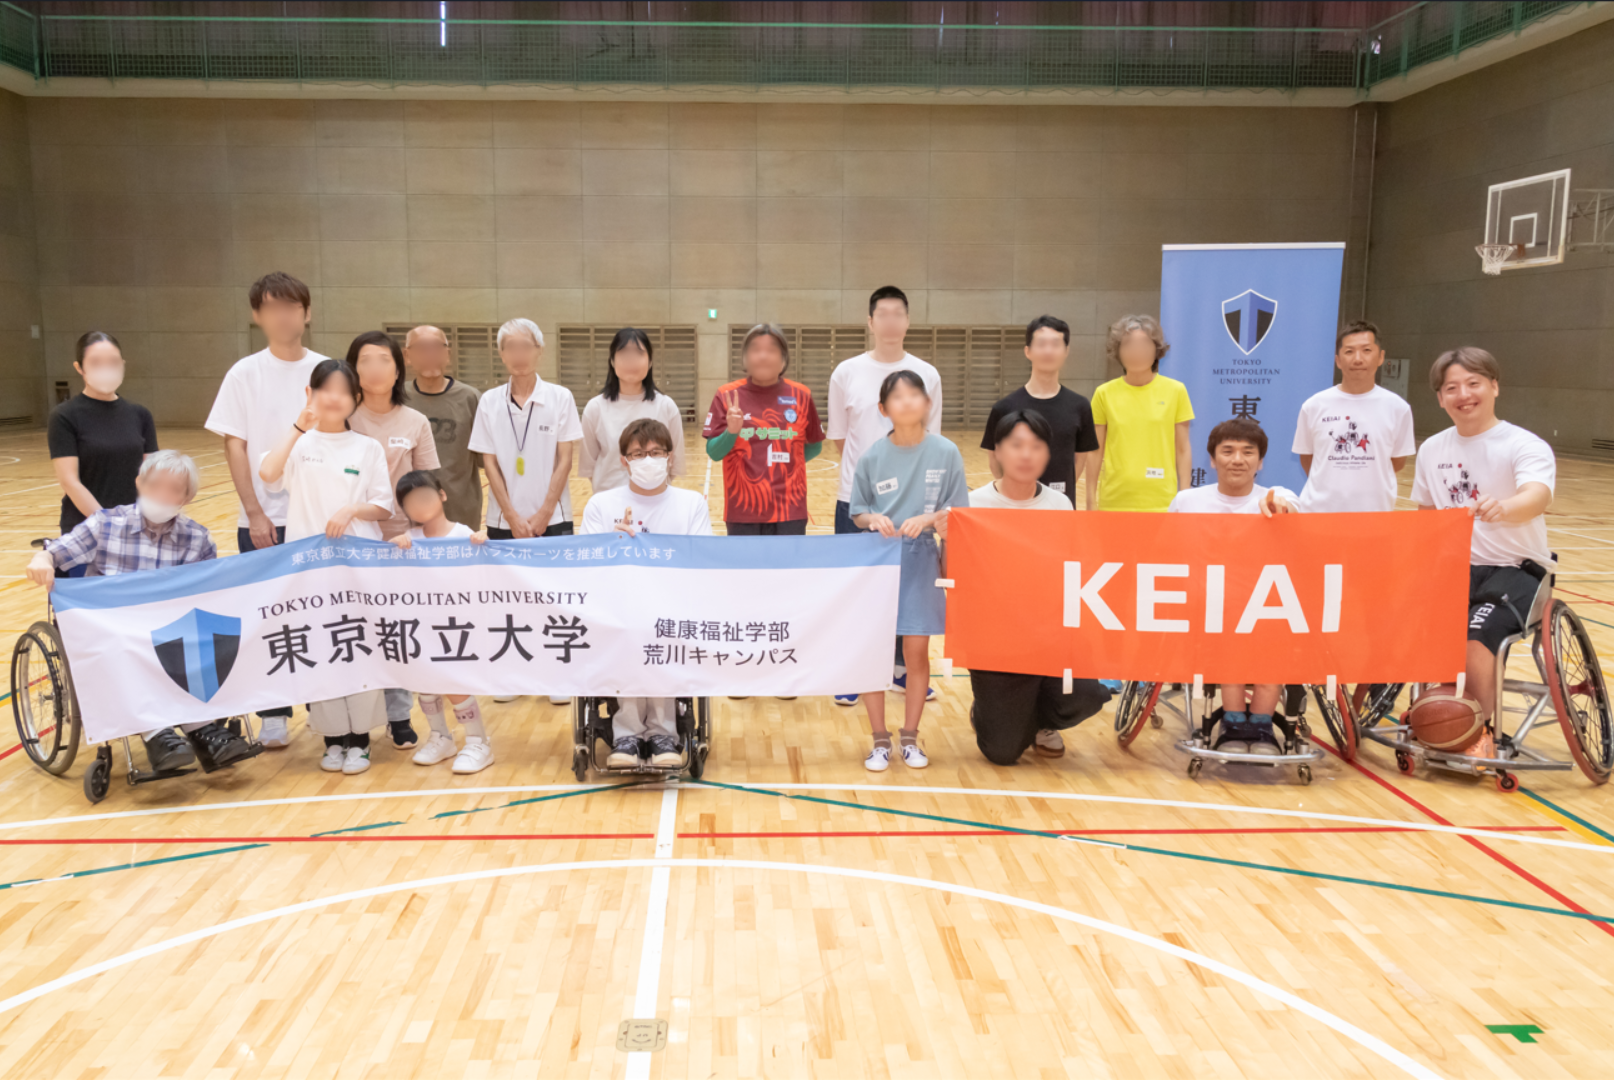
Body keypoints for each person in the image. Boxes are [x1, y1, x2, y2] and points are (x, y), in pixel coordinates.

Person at [25, 451, 256, 774]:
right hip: (111, 626)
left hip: (168, 625)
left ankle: (199, 727)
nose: (161, 495)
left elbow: (206, 594)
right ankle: (154, 732)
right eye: (154, 485)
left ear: (187, 497)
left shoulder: (197, 538)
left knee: (204, 638)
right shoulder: (105, 524)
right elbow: (56, 553)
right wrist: (42, 559)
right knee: (125, 645)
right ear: (139, 483)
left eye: (173, 490)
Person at [1411, 347, 1555, 759]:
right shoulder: (1432, 449)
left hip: (1516, 570)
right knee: (1416, 626)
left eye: (1473, 383)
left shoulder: (1523, 444)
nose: (1464, 394)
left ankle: (1478, 730)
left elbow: (1537, 495)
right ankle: (1436, 716)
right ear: (1440, 398)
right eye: (1452, 388)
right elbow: (1426, 515)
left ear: (1494, 386)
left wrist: (1505, 508)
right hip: (1455, 569)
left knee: (1477, 638)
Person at [204, 271, 327, 749]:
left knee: (319, 615)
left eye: (291, 306)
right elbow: (235, 445)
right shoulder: (245, 373)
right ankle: (273, 712)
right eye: (272, 307)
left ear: (307, 313)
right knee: (269, 617)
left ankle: (322, 705)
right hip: (263, 520)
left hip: (315, 518)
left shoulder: (325, 370)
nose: (283, 315)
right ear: (257, 315)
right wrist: (254, 512)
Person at [258, 358, 395, 775]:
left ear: (356, 398)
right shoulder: (299, 443)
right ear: (310, 394)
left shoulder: (367, 447)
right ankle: (332, 739)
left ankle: (360, 739)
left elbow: (383, 505)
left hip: (357, 567)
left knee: (358, 646)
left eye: (343, 391)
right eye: (325, 389)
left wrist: (352, 508)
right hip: (308, 569)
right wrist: (297, 428)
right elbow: (267, 473)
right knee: (320, 648)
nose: (334, 398)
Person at [954, 410, 1109, 764]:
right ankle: (990, 712)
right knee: (1003, 752)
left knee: (1088, 695)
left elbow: (1071, 572)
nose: (1026, 455)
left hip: (1049, 636)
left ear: (1047, 454)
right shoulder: (973, 505)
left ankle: (1039, 722)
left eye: (1037, 446)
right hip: (997, 642)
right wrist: (949, 540)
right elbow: (954, 578)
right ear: (997, 451)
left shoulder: (1059, 504)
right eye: (1016, 445)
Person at [827, 285, 943, 706]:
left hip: (911, 503)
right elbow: (841, 438)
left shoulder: (927, 374)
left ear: (908, 321)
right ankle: (854, 670)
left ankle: (899, 669)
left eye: (898, 313)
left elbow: (932, 440)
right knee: (855, 588)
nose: (891, 321)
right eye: (883, 314)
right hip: (856, 500)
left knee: (906, 590)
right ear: (871, 321)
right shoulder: (846, 372)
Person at [848, 371, 969, 772]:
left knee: (916, 653)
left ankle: (911, 736)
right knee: (874, 652)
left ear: (927, 404)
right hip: (878, 561)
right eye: (897, 396)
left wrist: (930, 518)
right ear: (883, 409)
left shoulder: (946, 452)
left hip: (921, 560)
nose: (907, 401)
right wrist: (873, 520)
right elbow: (858, 511)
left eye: (914, 394)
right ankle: (879, 739)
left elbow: (958, 509)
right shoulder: (872, 457)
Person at [580, 418, 714, 768]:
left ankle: (663, 732)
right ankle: (627, 733)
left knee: (659, 629)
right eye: (639, 454)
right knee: (628, 630)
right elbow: (584, 564)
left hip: (674, 605)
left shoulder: (691, 504)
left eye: (656, 452)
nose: (648, 460)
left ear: (670, 457)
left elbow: (703, 559)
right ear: (624, 461)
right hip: (617, 608)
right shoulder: (602, 504)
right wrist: (612, 546)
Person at [467, 317, 580, 707]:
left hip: (554, 517)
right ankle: (513, 673)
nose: (518, 354)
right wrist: (512, 516)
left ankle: (558, 673)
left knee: (555, 597)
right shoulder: (489, 401)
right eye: (510, 347)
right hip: (504, 520)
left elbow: (565, 460)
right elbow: (489, 462)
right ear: (501, 354)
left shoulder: (560, 397)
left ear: (539, 350)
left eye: (525, 346)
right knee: (509, 599)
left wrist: (545, 511)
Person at [1168, 417, 1297, 755]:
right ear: (1212, 460)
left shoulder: (1275, 497)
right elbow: (1167, 555)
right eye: (1227, 451)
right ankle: (1234, 722)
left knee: (1271, 627)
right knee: (1227, 622)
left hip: (1263, 607)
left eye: (1247, 452)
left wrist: (1281, 507)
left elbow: (1291, 505)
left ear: (1260, 462)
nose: (1237, 459)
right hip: (1207, 606)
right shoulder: (1187, 501)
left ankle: (1262, 725)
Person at [348, 329, 439, 752]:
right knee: (357, 632)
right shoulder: (344, 419)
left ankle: (399, 715)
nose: (375, 369)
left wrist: (419, 532)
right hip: (355, 542)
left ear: (398, 368)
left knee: (398, 631)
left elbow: (426, 484)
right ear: (353, 369)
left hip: (403, 542)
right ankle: (356, 720)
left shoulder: (415, 421)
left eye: (384, 359)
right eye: (365, 360)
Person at [388, 470, 494, 774]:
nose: (419, 505)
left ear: (442, 495)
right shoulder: (409, 540)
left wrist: (484, 544)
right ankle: (440, 737)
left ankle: (478, 741)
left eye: (425, 497)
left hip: (456, 627)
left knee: (455, 684)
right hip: (421, 628)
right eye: (410, 502)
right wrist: (394, 548)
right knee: (426, 686)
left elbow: (485, 575)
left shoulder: (463, 535)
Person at [702, 323, 825, 535]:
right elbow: (713, 452)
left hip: (791, 510)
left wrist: (787, 465)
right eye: (755, 349)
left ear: (783, 359)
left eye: (771, 350)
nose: (763, 356)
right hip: (742, 509)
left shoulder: (801, 395)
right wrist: (731, 432)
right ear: (744, 359)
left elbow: (815, 446)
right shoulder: (727, 395)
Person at [47, 332, 158, 559]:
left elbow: (152, 476)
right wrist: (109, 526)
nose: (106, 369)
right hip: (85, 531)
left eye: (113, 362)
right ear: (80, 368)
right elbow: (70, 481)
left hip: (135, 530)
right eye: (96, 363)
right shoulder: (64, 416)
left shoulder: (140, 415)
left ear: (123, 364)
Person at [1293, 320, 1416, 514]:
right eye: (1349, 351)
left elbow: (1397, 462)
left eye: (1366, 350)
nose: (1358, 359)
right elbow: (1307, 458)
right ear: (1338, 360)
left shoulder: (1398, 408)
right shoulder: (1314, 406)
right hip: (1318, 514)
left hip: (1374, 514)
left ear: (1381, 357)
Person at [980, 315, 1096, 508]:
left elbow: (1079, 460)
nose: (1048, 351)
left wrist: (1052, 498)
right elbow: (995, 460)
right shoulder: (1003, 408)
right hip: (1015, 507)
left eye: (1055, 344)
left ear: (1066, 351)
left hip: (1059, 507)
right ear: (1028, 351)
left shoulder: (1080, 406)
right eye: (1041, 344)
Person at [1091, 314, 1193, 512]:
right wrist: (1090, 499)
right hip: (1114, 501)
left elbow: (1183, 449)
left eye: (1144, 345)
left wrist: (1185, 496)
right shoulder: (1104, 393)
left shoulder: (1176, 391)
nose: (1136, 352)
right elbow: (1095, 451)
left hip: (1162, 501)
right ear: (1118, 351)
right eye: (1128, 345)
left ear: (1157, 350)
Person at [579, 327, 685, 493]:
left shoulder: (666, 406)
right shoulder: (595, 408)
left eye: (638, 354)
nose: (631, 361)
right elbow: (589, 464)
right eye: (624, 354)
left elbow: (674, 462)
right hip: (610, 499)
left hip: (655, 499)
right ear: (612, 361)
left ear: (650, 362)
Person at [402, 324, 483, 531]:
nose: (430, 354)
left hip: (461, 514)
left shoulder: (471, 398)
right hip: (408, 513)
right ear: (407, 356)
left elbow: (486, 459)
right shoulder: (398, 398)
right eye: (422, 348)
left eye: (436, 347)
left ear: (448, 354)